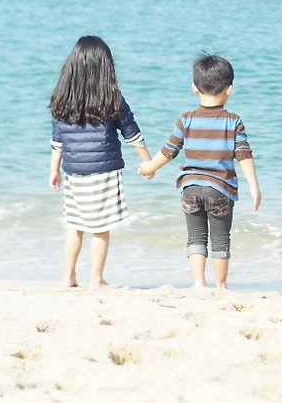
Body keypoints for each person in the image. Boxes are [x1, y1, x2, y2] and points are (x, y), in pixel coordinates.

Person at [139, 53, 261, 288]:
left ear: (194, 88)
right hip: (220, 190)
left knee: (195, 237)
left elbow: (169, 151)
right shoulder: (233, 121)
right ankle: (221, 286)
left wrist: (149, 167)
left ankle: (198, 283)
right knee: (220, 239)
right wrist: (254, 187)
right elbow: (243, 155)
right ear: (229, 89)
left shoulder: (186, 120)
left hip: (190, 188)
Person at [48, 35, 150, 288]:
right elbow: (131, 133)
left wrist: (54, 170)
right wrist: (147, 162)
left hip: (73, 172)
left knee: (75, 225)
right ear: (106, 67)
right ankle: (96, 278)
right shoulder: (111, 97)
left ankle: (68, 276)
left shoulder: (62, 98)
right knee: (101, 227)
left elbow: (57, 140)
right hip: (104, 170)